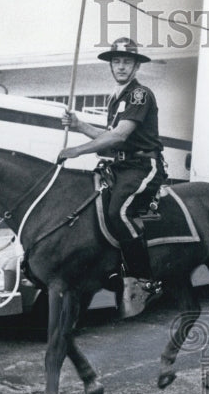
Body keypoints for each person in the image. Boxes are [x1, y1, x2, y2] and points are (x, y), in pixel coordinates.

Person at [58, 37, 167, 281]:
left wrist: (77, 151)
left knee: (119, 212)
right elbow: (108, 136)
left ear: (136, 67)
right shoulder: (115, 98)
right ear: (110, 66)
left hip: (143, 166)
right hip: (120, 166)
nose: (120, 66)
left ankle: (141, 278)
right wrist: (79, 125)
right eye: (116, 61)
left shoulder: (140, 94)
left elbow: (120, 135)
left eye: (127, 62)